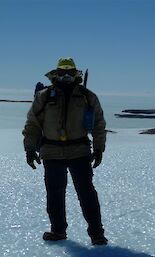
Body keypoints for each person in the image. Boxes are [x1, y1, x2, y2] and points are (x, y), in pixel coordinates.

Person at [22, 57, 108, 245]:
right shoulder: (44, 96)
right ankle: (58, 231)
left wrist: (99, 147)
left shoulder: (87, 96)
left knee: (86, 193)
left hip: (80, 151)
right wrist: (29, 148)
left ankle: (97, 234)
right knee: (55, 194)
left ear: (76, 73)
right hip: (52, 152)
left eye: (70, 72)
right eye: (63, 72)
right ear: (56, 74)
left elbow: (99, 123)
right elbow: (33, 124)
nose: (67, 76)